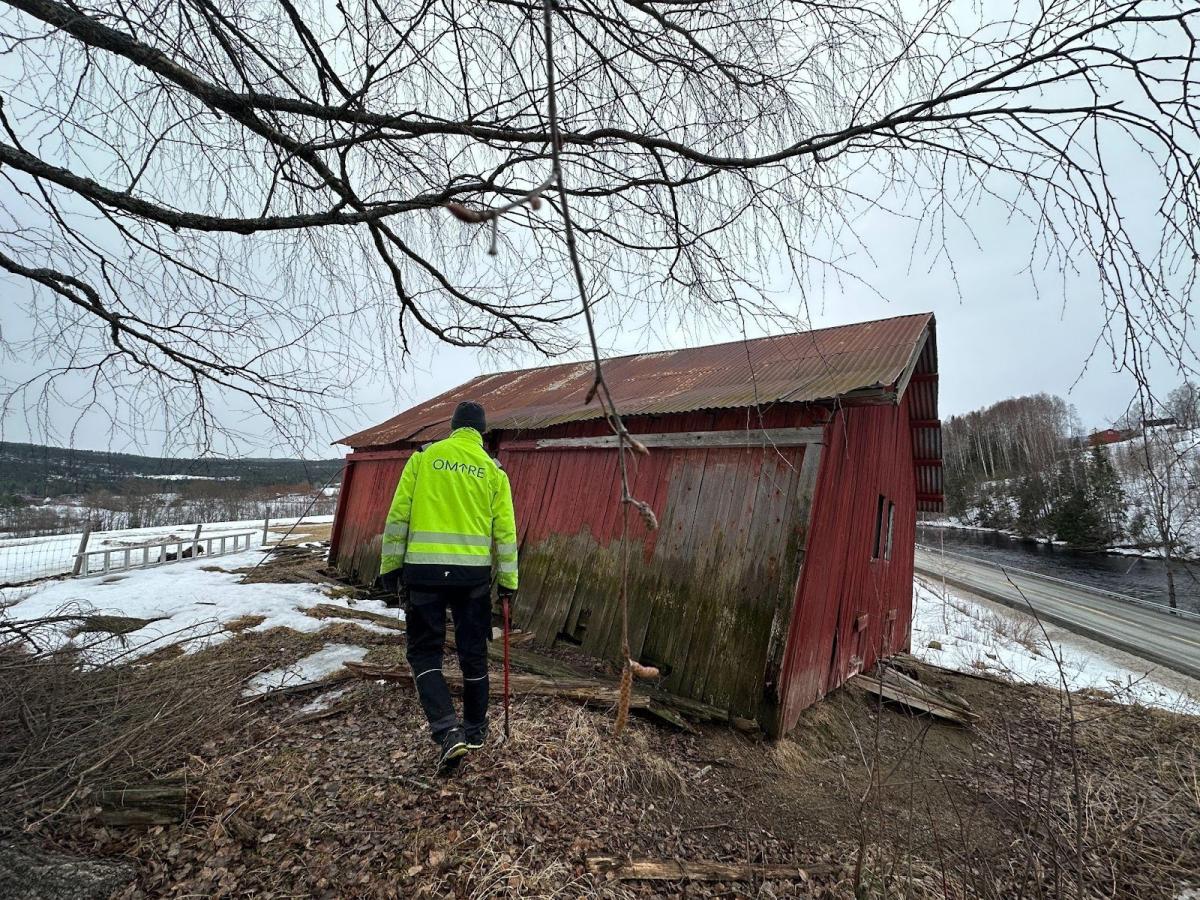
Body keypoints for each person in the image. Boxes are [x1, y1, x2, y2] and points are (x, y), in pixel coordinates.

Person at [378, 401, 519, 773]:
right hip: (471, 577)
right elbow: (505, 533)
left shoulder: (424, 458)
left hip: (422, 572)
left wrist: (390, 566)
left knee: (425, 654)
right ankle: (474, 730)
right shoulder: (493, 470)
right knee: (473, 651)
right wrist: (508, 583)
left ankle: (446, 731)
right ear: (481, 432)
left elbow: (399, 516)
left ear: (454, 428)